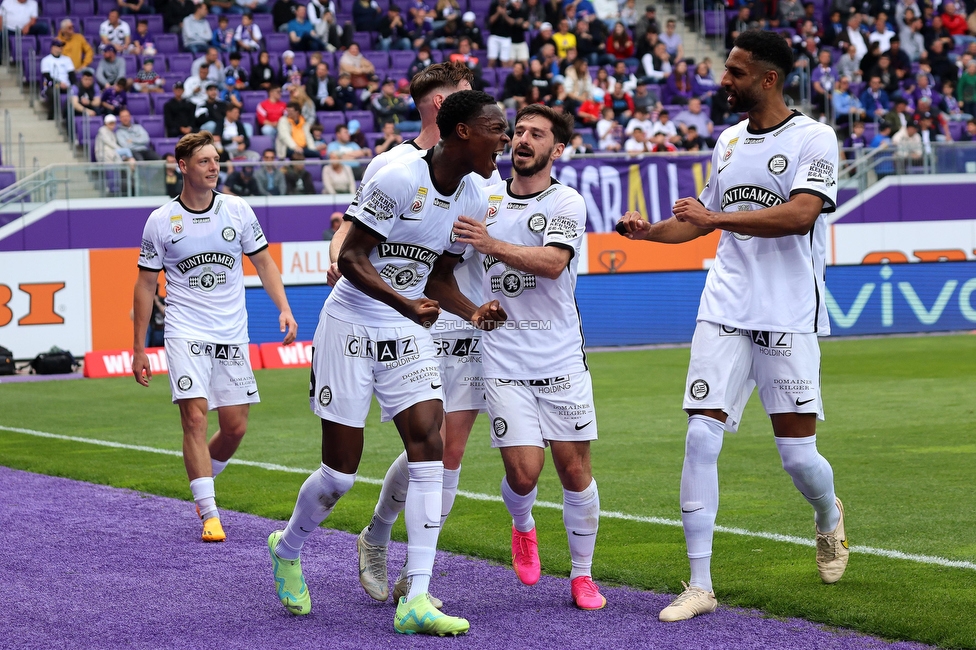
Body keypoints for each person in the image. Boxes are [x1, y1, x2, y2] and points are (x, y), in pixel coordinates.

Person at [616, 30, 848, 623]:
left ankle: (827, 517)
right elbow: (697, 227)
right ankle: (699, 583)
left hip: (789, 311)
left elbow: (800, 216)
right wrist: (649, 235)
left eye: (736, 72)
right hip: (724, 306)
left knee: (798, 456)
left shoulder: (815, 138)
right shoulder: (727, 141)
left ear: (767, 79)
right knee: (700, 434)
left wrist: (713, 215)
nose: (724, 79)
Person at [266, 90, 507, 636]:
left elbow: (439, 278)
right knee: (339, 476)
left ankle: (416, 597)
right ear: (464, 131)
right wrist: (404, 301)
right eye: (497, 128)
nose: (505, 140)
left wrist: (471, 312)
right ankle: (288, 546)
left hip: (407, 329)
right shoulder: (399, 175)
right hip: (351, 324)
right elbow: (351, 257)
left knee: (431, 449)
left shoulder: (473, 195)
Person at [451, 103, 605, 611]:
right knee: (524, 474)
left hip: (560, 358)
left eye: (536, 134)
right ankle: (523, 526)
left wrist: (490, 243)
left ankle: (582, 577)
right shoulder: (484, 197)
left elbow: (553, 264)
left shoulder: (567, 203)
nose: (522, 139)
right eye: (518, 131)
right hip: (503, 360)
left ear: (556, 150)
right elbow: (444, 259)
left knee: (574, 471)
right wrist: (475, 308)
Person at [133, 131, 297, 543]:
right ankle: (209, 512)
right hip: (185, 331)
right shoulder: (160, 221)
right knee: (193, 417)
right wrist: (138, 347)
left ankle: (202, 476)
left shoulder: (237, 210)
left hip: (231, 335)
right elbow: (144, 286)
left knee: (236, 427)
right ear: (182, 166)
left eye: (216, 160)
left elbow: (264, 263)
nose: (213, 167)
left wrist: (284, 307)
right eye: (204, 161)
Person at [40, 39, 75, 120]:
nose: (60, 48)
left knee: (75, 93)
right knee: (53, 93)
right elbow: (47, 76)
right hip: (52, 85)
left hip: (66, 85)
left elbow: (72, 75)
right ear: (52, 47)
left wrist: (73, 85)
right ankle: (51, 117)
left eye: (61, 46)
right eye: (58, 46)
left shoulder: (67, 59)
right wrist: (59, 83)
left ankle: (66, 117)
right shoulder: (46, 60)